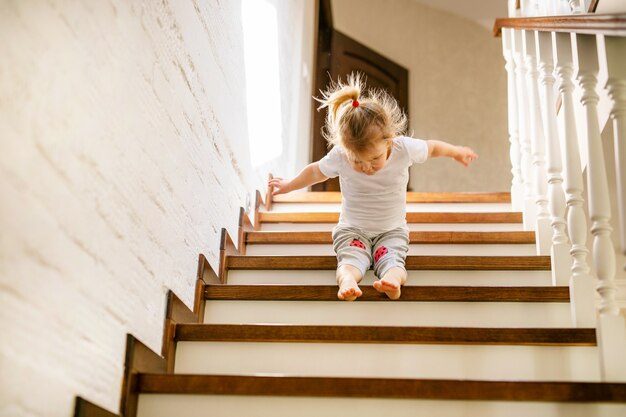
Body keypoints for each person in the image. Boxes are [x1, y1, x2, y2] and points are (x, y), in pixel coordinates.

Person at [269, 73, 478, 301]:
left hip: (391, 230)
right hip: (352, 229)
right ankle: (348, 281)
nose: (367, 167)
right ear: (346, 150)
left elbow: (433, 148)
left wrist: (456, 152)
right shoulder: (340, 155)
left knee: (393, 260)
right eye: (357, 161)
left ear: (389, 140)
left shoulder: (403, 149)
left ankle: (392, 281)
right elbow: (315, 171)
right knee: (350, 260)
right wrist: (290, 185)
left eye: (374, 159)